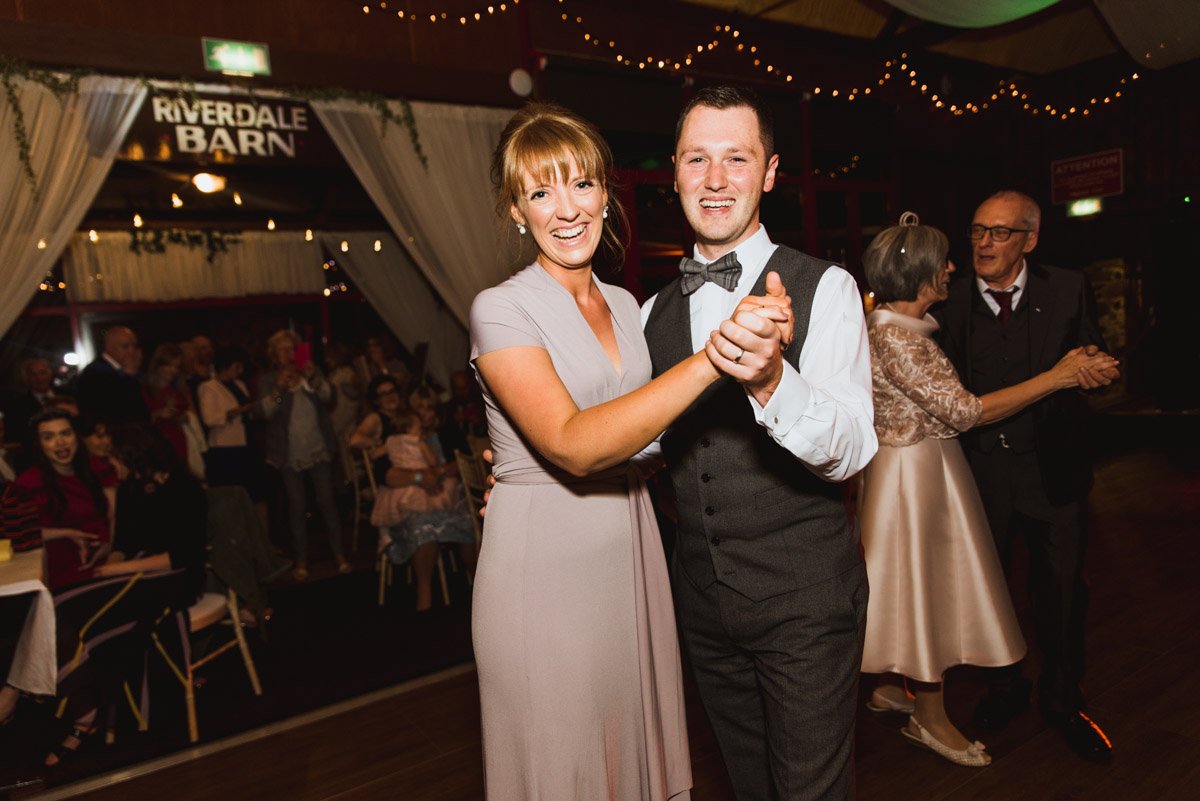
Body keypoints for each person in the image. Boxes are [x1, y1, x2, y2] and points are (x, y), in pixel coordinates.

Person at [469, 102, 789, 800]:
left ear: (606, 195)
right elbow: (575, 446)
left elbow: (642, 437)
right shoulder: (500, 309)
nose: (566, 208)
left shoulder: (625, 304)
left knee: (627, 754)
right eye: (540, 191)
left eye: (581, 184)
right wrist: (716, 358)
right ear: (516, 211)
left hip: (632, 547)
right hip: (545, 564)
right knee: (565, 761)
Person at [639, 86, 878, 801]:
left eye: (736, 159)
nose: (715, 180)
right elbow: (638, 447)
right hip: (703, 605)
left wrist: (774, 381)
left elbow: (853, 445)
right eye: (697, 159)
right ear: (675, 173)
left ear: (769, 173)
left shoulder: (827, 287)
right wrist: (532, 473)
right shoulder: (650, 312)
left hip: (805, 599)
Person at [858, 213, 1119, 767]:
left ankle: (894, 689)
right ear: (923, 274)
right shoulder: (899, 339)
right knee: (924, 590)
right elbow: (965, 411)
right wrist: (1056, 377)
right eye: (944, 261)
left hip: (914, 468)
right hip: (914, 478)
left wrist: (1086, 366)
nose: (954, 266)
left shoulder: (889, 325)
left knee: (909, 586)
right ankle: (928, 719)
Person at [936, 190, 1119, 763]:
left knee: (1062, 594)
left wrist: (1101, 368)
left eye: (999, 233)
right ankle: (1006, 687)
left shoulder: (1067, 287)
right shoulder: (949, 301)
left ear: (1030, 240)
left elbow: (1093, 350)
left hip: (1053, 473)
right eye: (976, 231)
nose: (983, 244)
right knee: (989, 594)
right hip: (979, 476)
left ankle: (1063, 701)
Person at [259, 330, 349, 580]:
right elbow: (264, 413)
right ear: (274, 355)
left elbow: (330, 397)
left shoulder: (311, 372)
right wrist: (279, 388)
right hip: (289, 455)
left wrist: (313, 377)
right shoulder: (269, 380)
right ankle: (301, 560)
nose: (289, 354)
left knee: (327, 503)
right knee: (296, 508)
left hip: (318, 450)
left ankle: (339, 554)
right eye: (283, 350)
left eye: (292, 349)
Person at [12, 408, 117, 590]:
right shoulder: (28, 483)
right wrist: (68, 533)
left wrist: (109, 548)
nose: (60, 442)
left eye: (65, 433)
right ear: (39, 444)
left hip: (107, 564)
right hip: (58, 572)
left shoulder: (100, 470)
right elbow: (17, 533)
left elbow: (112, 517)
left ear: (76, 436)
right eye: (49, 437)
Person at [75, 326, 149, 425]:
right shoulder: (97, 373)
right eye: (125, 346)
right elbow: (127, 409)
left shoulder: (114, 370)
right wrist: (130, 376)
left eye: (134, 346)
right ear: (109, 347)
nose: (131, 351)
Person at [141, 343, 193, 466]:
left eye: (177, 367)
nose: (173, 370)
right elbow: (140, 420)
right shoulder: (145, 389)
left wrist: (184, 418)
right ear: (159, 365)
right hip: (157, 442)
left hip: (178, 440)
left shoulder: (178, 388)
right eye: (169, 365)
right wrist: (158, 414)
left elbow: (186, 413)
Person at [5, 357, 57, 441]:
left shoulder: (68, 395)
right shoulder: (16, 406)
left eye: (43, 373)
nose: (39, 378)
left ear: (50, 374)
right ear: (26, 379)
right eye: (33, 375)